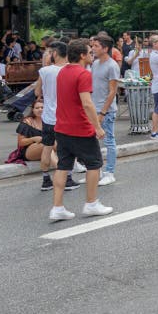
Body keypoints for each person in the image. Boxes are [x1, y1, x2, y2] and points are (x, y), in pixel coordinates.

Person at [49, 38, 113, 221]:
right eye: (90, 52)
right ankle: (91, 203)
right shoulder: (83, 74)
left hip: (62, 127)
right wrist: (97, 127)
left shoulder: (62, 72)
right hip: (80, 128)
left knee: (63, 165)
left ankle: (57, 207)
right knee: (94, 164)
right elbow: (87, 103)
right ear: (83, 55)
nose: (92, 55)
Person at [35, 41, 80, 191]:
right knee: (65, 149)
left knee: (47, 148)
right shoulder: (70, 70)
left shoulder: (44, 71)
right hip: (64, 116)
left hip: (48, 116)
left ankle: (45, 179)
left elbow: (37, 92)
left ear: (54, 53)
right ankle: (66, 179)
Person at [91, 35, 119, 186]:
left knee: (109, 141)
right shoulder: (95, 63)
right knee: (92, 142)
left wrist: (103, 112)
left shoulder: (112, 65)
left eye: (96, 46)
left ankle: (110, 172)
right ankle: (97, 171)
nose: (93, 48)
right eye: (93, 45)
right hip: (93, 108)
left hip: (105, 111)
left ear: (105, 48)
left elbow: (112, 91)